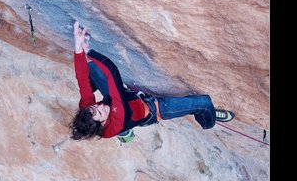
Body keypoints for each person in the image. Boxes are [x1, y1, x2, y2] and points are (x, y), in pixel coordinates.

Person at [69, 21, 234, 141]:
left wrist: (77, 47)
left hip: (124, 100)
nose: (99, 105)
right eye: (99, 112)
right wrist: (88, 51)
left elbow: (82, 80)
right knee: (204, 103)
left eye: (94, 106)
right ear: (102, 123)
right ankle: (208, 121)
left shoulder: (88, 111)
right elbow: (112, 73)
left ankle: (126, 128)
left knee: (91, 70)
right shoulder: (116, 122)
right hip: (151, 110)